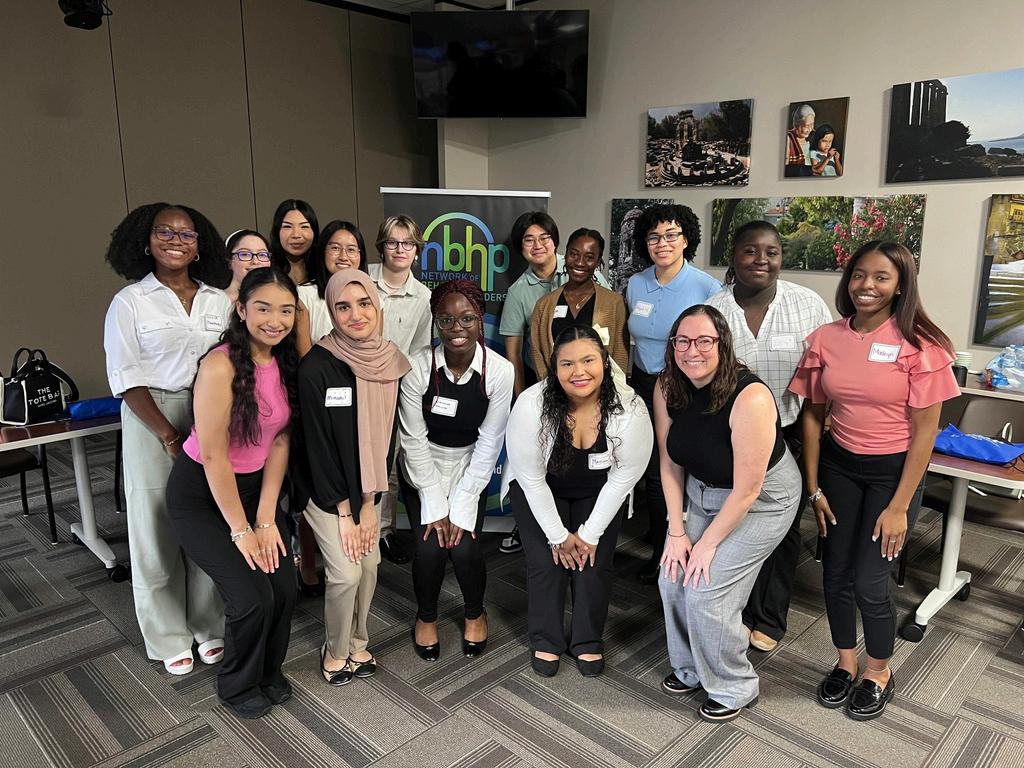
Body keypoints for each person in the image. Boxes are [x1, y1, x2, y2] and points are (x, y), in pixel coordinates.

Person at [789, 241, 958, 721]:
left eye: (882, 277)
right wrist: (813, 487)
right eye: (859, 274)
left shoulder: (922, 346)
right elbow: (813, 416)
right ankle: (846, 663)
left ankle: (878, 670)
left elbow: (924, 435)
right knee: (835, 572)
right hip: (839, 468)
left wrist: (900, 506)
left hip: (893, 474)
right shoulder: (826, 338)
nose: (867, 285)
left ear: (901, 285)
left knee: (870, 579)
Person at [655, 305, 802, 723]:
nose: (692, 351)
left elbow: (748, 490)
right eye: (683, 341)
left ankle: (734, 685)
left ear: (723, 344)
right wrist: (677, 531)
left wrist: (708, 545)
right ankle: (691, 668)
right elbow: (669, 462)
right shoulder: (668, 386)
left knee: (706, 589)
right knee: (672, 578)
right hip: (702, 490)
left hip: (762, 500)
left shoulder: (750, 396)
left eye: (705, 341)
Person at [103, 202, 231, 675]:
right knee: (155, 524)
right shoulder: (130, 301)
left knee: (208, 518)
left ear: (200, 246)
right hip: (151, 414)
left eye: (187, 234)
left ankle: (207, 623)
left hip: (210, 410)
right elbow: (125, 376)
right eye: (165, 232)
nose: (176, 241)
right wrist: (168, 434)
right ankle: (167, 634)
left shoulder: (217, 301)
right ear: (145, 240)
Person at [166, 267, 299, 719]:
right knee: (250, 598)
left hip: (254, 491)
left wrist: (266, 518)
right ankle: (237, 685)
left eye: (286, 311)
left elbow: (280, 441)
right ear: (241, 310)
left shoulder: (286, 362)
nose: (275, 320)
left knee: (283, 588)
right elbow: (214, 456)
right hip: (202, 495)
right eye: (263, 308)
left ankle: (267, 672)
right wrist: (242, 531)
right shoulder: (220, 365)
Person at [706, 221, 832, 652]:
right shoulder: (713, 310)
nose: (761, 260)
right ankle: (734, 609)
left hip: (789, 433)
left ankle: (769, 617)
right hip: (730, 435)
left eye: (772, 252)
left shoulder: (807, 304)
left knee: (781, 526)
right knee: (735, 521)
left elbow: (825, 370)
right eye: (750, 251)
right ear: (733, 256)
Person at [504, 325, 652, 678]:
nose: (579, 372)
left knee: (593, 562)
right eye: (567, 363)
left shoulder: (630, 407)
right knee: (546, 563)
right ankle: (546, 639)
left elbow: (624, 477)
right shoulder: (531, 404)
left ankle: (587, 640)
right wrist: (558, 536)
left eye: (588, 360)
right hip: (541, 488)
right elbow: (531, 479)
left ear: (605, 362)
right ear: (554, 368)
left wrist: (588, 535)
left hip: (599, 490)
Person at [298, 269, 411, 686]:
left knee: (371, 564)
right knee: (346, 573)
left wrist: (370, 504)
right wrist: (347, 513)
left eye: (364, 304)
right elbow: (318, 447)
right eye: (343, 307)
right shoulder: (316, 366)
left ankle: (359, 641)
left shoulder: (389, 359)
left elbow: (386, 439)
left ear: (377, 306)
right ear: (331, 311)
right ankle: (335, 649)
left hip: (368, 487)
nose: (356, 315)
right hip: (325, 489)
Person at [398, 280, 513, 660]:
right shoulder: (417, 367)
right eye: (445, 320)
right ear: (436, 322)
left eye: (466, 318)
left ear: (480, 319)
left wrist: (461, 503)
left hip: (469, 464)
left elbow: (490, 441)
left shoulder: (499, 371)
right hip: (423, 465)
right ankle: (426, 616)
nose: (456, 328)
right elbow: (412, 439)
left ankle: (475, 613)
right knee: (429, 548)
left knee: (464, 548)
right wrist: (435, 503)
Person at [498, 211, 610, 554]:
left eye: (544, 238)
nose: (538, 245)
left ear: (556, 241)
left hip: (592, 387)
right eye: (528, 240)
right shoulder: (520, 292)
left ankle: (588, 524)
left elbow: (610, 318)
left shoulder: (582, 265)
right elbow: (514, 351)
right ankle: (539, 526)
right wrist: (522, 400)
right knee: (544, 457)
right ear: (520, 248)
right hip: (545, 386)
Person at [626, 203, 720, 583]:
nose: (662, 243)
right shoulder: (635, 284)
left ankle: (681, 545)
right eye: (653, 237)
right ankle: (660, 545)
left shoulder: (706, 288)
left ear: (686, 240)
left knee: (681, 463)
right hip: (643, 384)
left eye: (671, 235)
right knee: (653, 467)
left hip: (685, 388)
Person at [367, 214, 433, 565]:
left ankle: (384, 532)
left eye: (407, 243)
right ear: (382, 246)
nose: (400, 249)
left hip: (395, 388)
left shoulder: (424, 297)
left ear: (417, 250)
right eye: (392, 242)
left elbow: (420, 352)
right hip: (357, 386)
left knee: (389, 464)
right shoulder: (362, 280)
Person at [530, 227, 629, 378]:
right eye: (574, 254)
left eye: (589, 257)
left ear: (598, 262)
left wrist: (608, 389)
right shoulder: (544, 305)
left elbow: (620, 356)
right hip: (555, 387)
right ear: (565, 255)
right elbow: (538, 354)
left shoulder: (615, 303)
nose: (580, 263)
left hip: (600, 389)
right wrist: (550, 387)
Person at [298, 219, 369, 349]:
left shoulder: (372, 295)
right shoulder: (304, 295)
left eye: (351, 249)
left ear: (361, 255)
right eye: (335, 248)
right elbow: (304, 355)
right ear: (323, 251)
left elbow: (374, 347)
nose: (343, 257)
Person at [269, 199, 320, 287]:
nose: (296, 235)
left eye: (304, 226)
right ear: (277, 231)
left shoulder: (324, 270)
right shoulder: (267, 270)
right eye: (287, 226)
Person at [224, 229, 272, 305]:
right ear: (229, 261)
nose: (255, 261)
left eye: (262, 254)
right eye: (245, 254)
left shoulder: (282, 297)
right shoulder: (213, 300)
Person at [784, 104, 815, 177]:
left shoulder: (813, 138)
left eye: (812, 125)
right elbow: (784, 169)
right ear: (797, 124)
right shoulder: (788, 139)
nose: (810, 129)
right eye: (806, 126)